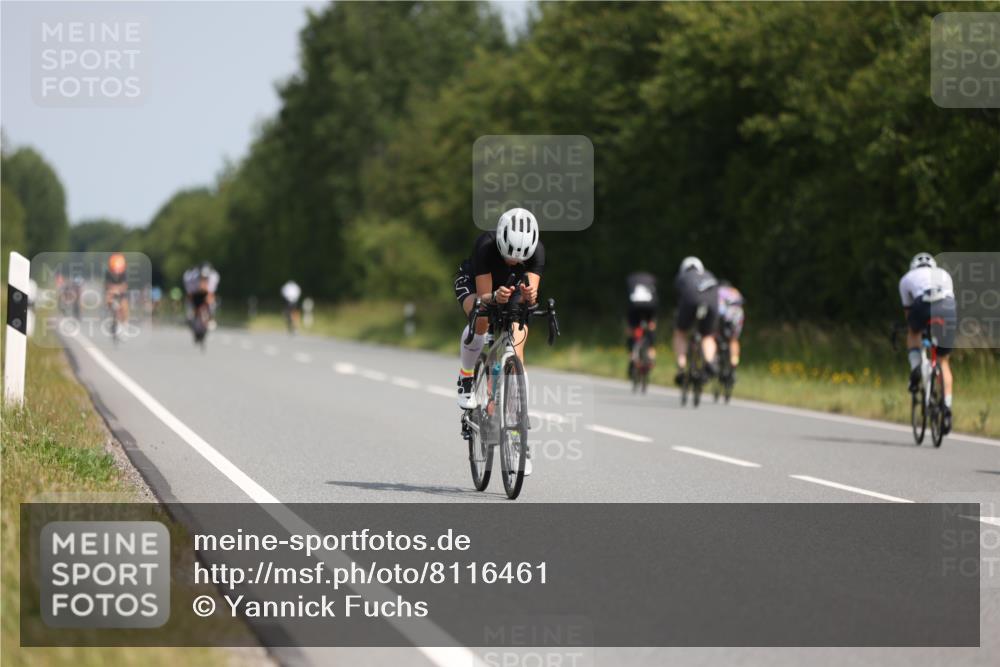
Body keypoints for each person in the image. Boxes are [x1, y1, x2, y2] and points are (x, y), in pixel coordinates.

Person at [454, 207, 544, 411]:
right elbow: (484, 297)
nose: (514, 261)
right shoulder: (486, 245)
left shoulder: (537, 250)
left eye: (520, 259)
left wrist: (530, 296)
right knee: (481, 320)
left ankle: (514, 407)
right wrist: (495, 297)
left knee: (517, 335)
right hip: (476, 283)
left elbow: (530, 296)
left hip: (512, 286)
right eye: (508, 255)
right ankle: (466, 376)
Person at [899, 252, 957, 434]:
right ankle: (946, 408)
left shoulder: (906, 279)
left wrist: (916, 327)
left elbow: (908, 314)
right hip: (947, 308)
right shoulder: (944, 274)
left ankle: (916, 367)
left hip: (922, 304)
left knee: (913, 332)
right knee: (943, 361)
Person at [672, 256, 719, 385]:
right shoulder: (709, 274)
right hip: (712, 302)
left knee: (680, 333)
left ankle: (681, 367)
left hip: (691, 301)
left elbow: (679, 298)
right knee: (708, 336)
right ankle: (709, 362)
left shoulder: (682, 277)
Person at [625, 271, 658, 377]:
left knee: (631, 329)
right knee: (651, 327)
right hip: (650, 307)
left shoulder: (631, 280)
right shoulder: (651, 280)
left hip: (634, 306)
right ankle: (651, 353)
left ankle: (632, 355)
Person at [716, 280, 745, 374]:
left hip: (724, 314)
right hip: (738, 314)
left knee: (714, 335)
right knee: (734, 340)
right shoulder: (735, 291)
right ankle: (734, 363)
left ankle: (714, 360)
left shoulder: (718, 290)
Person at [183, 262, 220, 328]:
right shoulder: (190, 277)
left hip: (206, 294)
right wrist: (194, 308)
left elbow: (210, 294)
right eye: (202, 277)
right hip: (194, 294)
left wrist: (207, 305)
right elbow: (190, 295)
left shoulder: (214, 277)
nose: (204, 279)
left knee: (212, 301)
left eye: (205, 278)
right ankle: (190, 316)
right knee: (189, 303)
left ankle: (211, 316)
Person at [104, 252, 129, 328]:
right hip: (111, 292)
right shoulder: (108, 273)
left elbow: (125, 285)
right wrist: (112, 290)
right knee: (108, 299)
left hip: (121, 293)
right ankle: (111, 314)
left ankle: (125, 322)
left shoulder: (124, 273)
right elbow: (107, 285)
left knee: (124, 304)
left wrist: (117, 289)